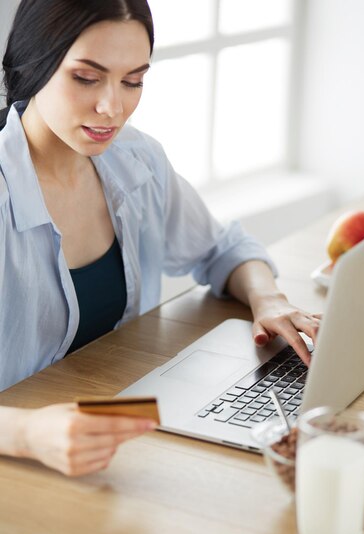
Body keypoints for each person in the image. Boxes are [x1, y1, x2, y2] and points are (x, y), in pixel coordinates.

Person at [0, 0, 321, 477]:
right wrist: (25, 434)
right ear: (34, 64)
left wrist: (268, 298)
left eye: (133, 81)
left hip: (113, 445)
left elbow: (221, 248)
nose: (113, 107)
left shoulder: (137, 160)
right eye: (86, 78)